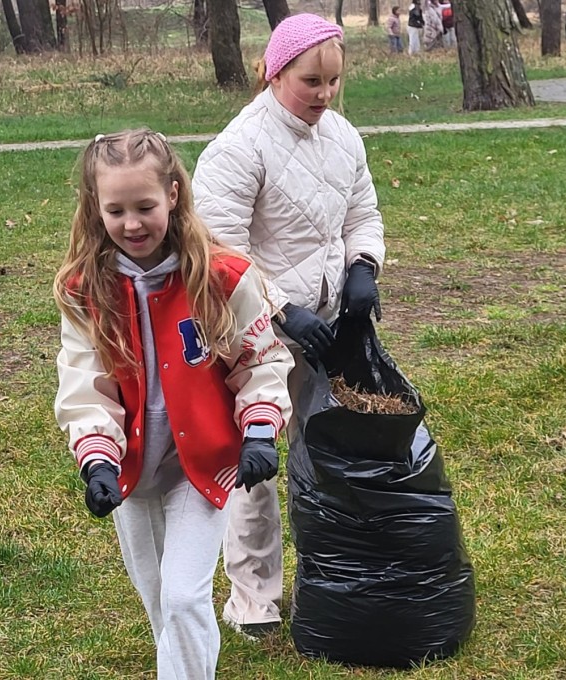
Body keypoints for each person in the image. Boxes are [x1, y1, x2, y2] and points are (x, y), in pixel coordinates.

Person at [53, 129, 294, 680]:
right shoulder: (86, 290)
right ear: (95, 207)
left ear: (173, 195)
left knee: (185, 598)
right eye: (116, 211)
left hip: (202, 463)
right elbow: (85, 381)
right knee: (161, 601)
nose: (132, 224)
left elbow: (260, 358)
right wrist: (97, 459)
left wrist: (260, 429)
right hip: (132, 466)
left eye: (145, 207)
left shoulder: (220, 276)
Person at [192, 14, 386, 640]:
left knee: (323, 448)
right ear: (274, 74)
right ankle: (254, 598)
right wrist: (280, 308)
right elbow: (219, 249)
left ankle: (327, 574)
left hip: (326, 329)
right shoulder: (238, 148)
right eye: (311, 81)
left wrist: (363, 267)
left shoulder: (343, 136)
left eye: (334, 81)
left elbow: (362, 212)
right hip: (255, 336)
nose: (324, 94)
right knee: (255, 462)